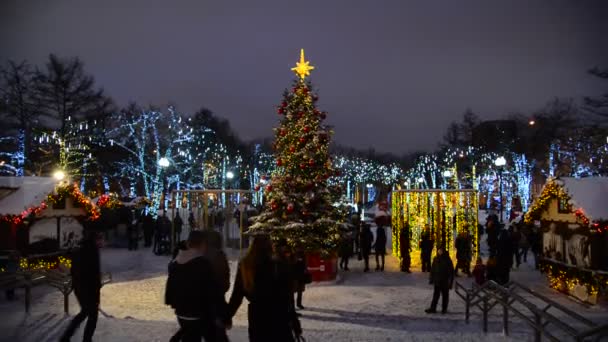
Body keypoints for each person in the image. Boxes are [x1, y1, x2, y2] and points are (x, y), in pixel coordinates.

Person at [227, 235, 302, 342]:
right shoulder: (278, 265)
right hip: (279, 318)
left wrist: (227, 316)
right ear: (270, 247)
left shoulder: (246, 266)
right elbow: (288, 298)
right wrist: (295, 324)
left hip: (257, 318)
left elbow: (237, 296)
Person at [165, 231, 223, 342]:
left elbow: (170, 288)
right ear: (202, 244)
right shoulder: (203, 264)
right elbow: (214, 292)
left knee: (190, 335)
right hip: (199, 313)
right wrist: (223, 314)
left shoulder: (175, 262)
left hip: (181, 313)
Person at [60, 232, 101, 342]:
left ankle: (67, 337)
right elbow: (93, 272)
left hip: (81, 287)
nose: (101, 242)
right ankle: (84, 339)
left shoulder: (80, 249)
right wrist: (96, 289)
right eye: (99, 239)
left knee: (86, 312)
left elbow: (75, 270)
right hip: (88, 288)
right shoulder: (91, 251)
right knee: (91, 314)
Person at [205, 231, 230, 342]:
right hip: (217, 302)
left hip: (202, 304)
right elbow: (225, 283)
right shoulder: (219, 256)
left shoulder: (201, 254)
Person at [425, 246, 454, 314]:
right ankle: (433, 308)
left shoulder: (447, 260)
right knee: (436, 295)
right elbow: (433, 270)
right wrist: (431, 279)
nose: (439, 252)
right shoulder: (436, 259)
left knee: (445, 296)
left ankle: (444, 309)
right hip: (437, 281)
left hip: (444, 281)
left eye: (441, 250)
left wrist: (450, 282)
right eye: (439, 250)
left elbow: (451, 272)